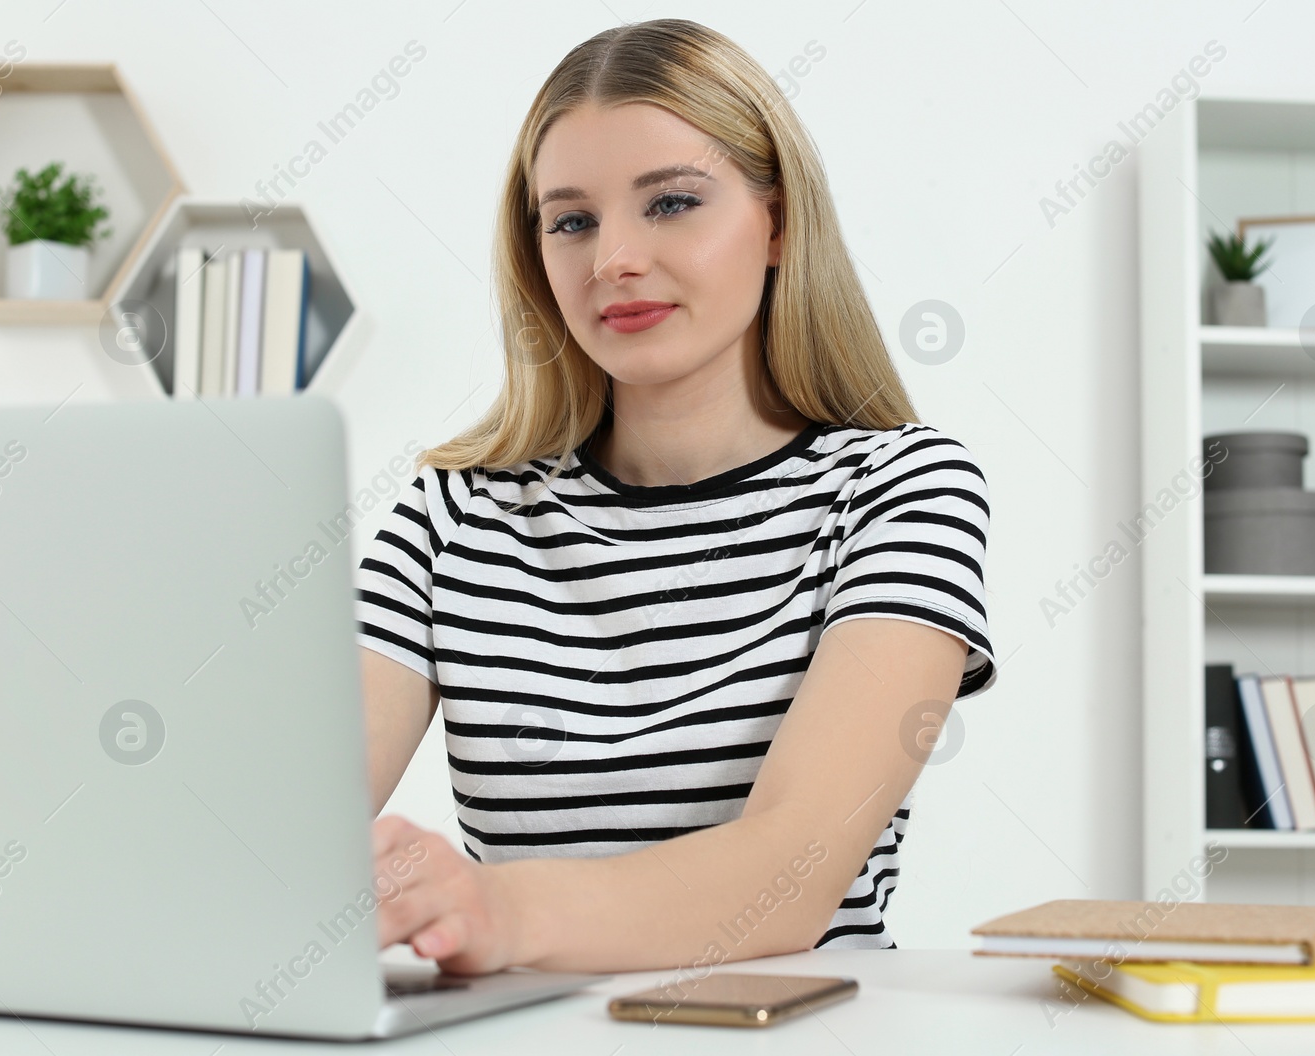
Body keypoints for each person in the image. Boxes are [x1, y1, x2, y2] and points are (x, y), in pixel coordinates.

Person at [356, 17, 996, 976]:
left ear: (777, 223)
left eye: (671, 204)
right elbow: (276, 831)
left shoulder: (899, 489)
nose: (611, 257)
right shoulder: (452, 514)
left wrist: (494, 908)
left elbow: (789, 874)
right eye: (570, 220)